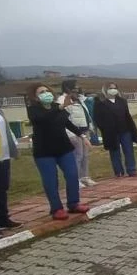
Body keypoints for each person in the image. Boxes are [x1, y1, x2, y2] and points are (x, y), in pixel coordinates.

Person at [25, 83, 90, 219]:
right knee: (51, 180)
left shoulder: (56, 107)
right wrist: (61, 107)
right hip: (44, 151)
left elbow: (67, 123)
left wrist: (82, 136)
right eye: (41, 92)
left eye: (47, 90)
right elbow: (43, 119)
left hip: (63, 148)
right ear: (35, 97)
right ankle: (56, 209)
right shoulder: (33, 110)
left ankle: (73, 203)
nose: (46, 93)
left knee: (72, 174)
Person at [0, 79, 22, 239]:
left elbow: (7, 131)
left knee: (2, 188)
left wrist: (13, 148)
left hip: (3, 156)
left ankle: (3, 218)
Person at [57, 80, 97, 188]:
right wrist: (70, 133)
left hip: (84, 130)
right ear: (68, 88)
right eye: (75, 87)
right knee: (77, 156)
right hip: (74, 132)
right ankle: (76, 179)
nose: (77, 89)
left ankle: (85, 177)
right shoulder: (62, 100)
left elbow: (86, 113)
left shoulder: (79, 99)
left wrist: (90, 126)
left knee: (85, 156)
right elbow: (64, 118)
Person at [94, 82, 137, 177]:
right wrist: (105, 129)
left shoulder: (122, 101)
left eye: (114, 88)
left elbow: (127, 115)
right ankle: (118, 171)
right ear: (106, 90)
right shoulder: (101, 103)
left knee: (129, 150)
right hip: (111, 132)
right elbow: (98, 119)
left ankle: (131, 169)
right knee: (115, 152)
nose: (113, 90)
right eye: (110, 88)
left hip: (125, 130)